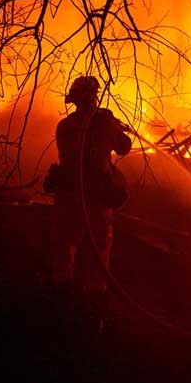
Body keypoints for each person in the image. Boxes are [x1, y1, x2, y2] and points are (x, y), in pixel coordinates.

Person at [50, 75, 132, 310]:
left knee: (66, 244)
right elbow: (124, 147)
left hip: (68, 193)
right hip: (96, 197)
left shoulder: (64, 126)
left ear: (73, 99)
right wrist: (113, 123)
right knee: (98, 245)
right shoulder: (104, 123)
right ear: (94, 97)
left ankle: (61, 295)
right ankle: (94, 299)